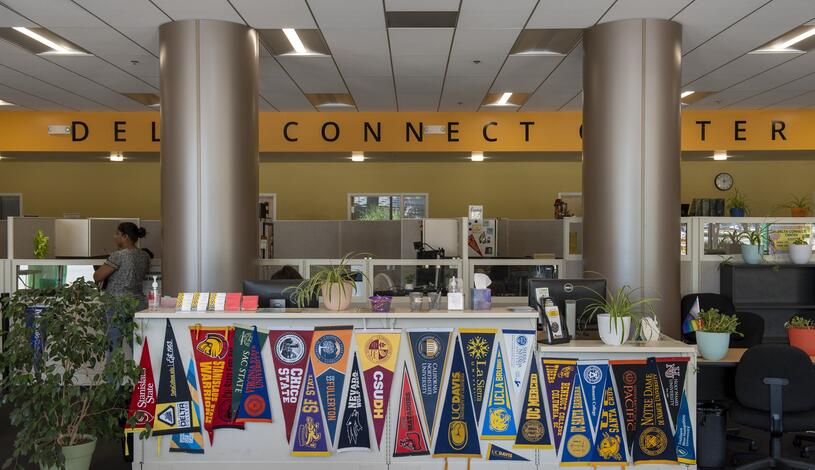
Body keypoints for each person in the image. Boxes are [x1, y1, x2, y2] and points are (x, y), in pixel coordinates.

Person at [93, 222, 151, 312]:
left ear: (125, 237)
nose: (114, 237)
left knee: (115, 326)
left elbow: (97, 276)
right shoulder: (145, 255)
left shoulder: (119, 255)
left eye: (117, 234)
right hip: (139, 303)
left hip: (118, 304)